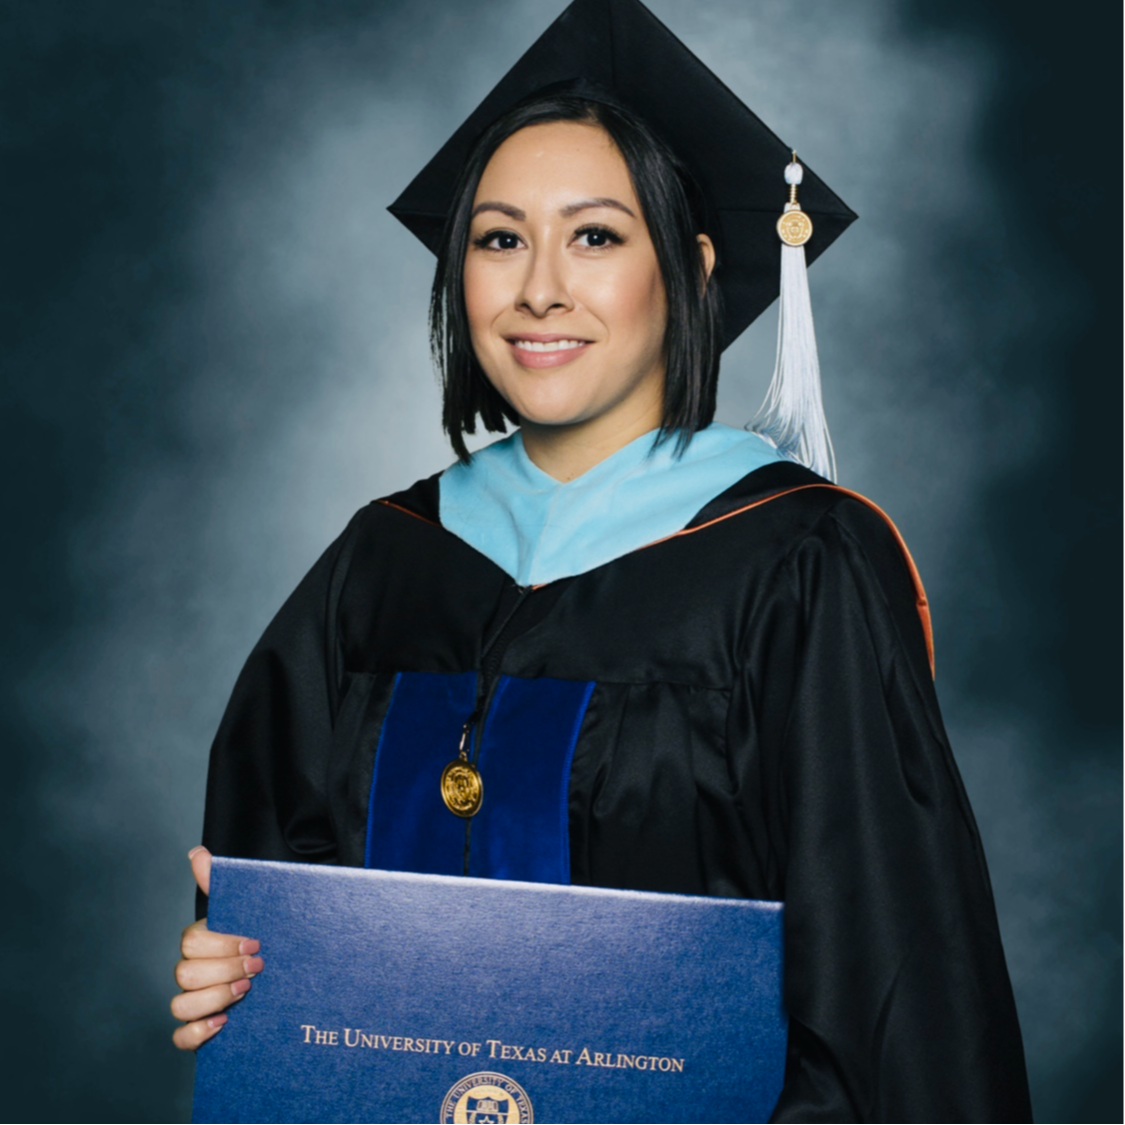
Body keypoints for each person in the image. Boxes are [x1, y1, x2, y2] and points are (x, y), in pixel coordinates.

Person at [171, 1, 1033, 1121]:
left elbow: (896, 995)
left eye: (595, 235)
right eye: (497, 238)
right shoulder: (384, 563)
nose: (539, 289)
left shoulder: (800, 559)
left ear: (694, 266)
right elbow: (271, 910)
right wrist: (229, 974)